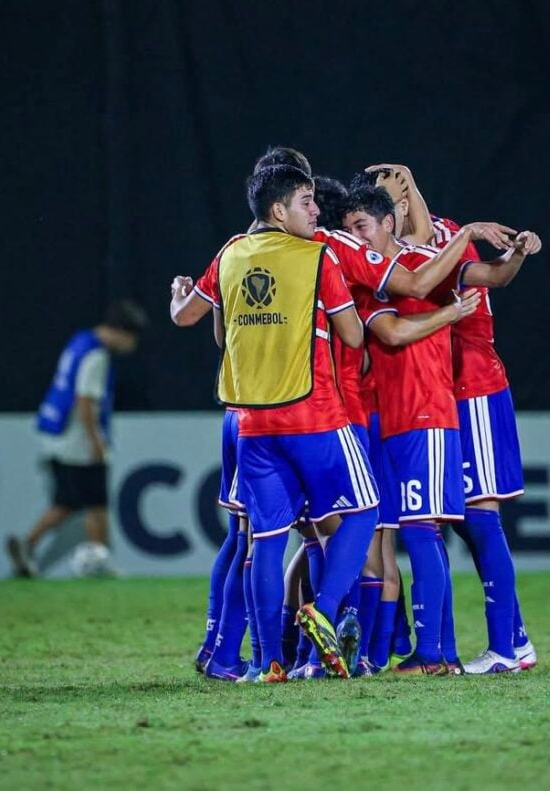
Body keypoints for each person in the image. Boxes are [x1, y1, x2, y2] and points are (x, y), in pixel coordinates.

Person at [204, 164, 380, 682]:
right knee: (365, 512)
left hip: (253, 424)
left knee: (266, 540)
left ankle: (266, 663)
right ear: (278, 211)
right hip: (315, 415)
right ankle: (322, 614)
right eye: (306, 201)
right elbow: (352, 336)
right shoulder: (317, 257)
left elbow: (218, 334)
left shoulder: (230, 255)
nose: (316, 209)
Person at [370, 163, 543, 673]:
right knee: (456, 521)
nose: (373, 215)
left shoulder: (440, 242)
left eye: (385, 201)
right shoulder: (394, 256)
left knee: (480, 519)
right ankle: (512, 638)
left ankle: (507, 649)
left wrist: (514, 253)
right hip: (440, 396)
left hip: (475, 390)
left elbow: (492, 276)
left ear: (402, 206)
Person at [7, 300, 147, 578]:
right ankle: (98, 561)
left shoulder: (80, 340)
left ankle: (27, 545)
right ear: (121, 332)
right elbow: (85, 400)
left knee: (68, 502)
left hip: (58, 433)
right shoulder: (97, 356)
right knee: (97, 503)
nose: (132, 345)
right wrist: (96, 442)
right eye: (132, 338)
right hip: (78, 439)